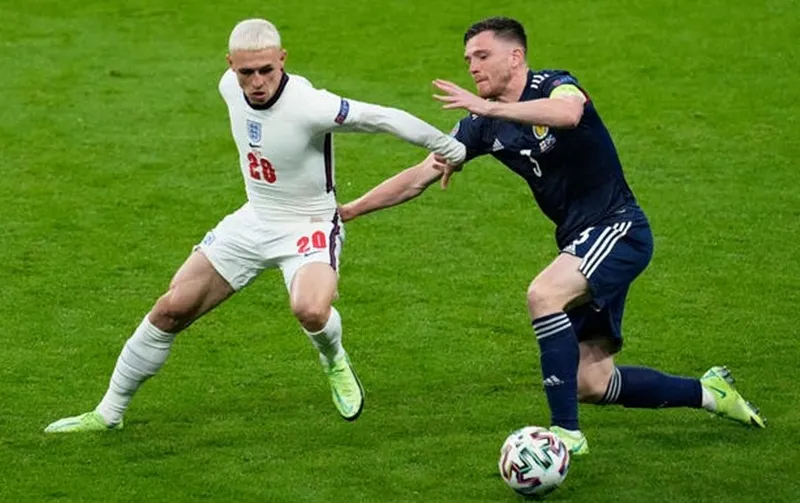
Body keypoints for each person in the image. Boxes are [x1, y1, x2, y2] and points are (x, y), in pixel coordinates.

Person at [338, 17, 765, 454]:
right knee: (592, 383)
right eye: (468, 60)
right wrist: (348, 211)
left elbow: (569, 113)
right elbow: (419, 175)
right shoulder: (484, 125)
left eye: (482, 56)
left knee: (543, 294)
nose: (473, 68)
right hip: (579, 241)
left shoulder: (554, 84)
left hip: (618, 227)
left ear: (515, 57)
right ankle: (710, 393)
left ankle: (565, 433)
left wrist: (492, 108)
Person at [44, 18, 466, 432]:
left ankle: (333, 357)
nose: (258, 81)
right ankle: (108, 414)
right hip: (254, 219)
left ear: (283, 59)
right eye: (247, 72)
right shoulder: (229, 88)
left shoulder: (309, 104)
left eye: (268, 69)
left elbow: (384, 118)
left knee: (311, 309)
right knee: (170, 309)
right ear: (230, 65)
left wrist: (448, 147)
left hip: (309, 225)